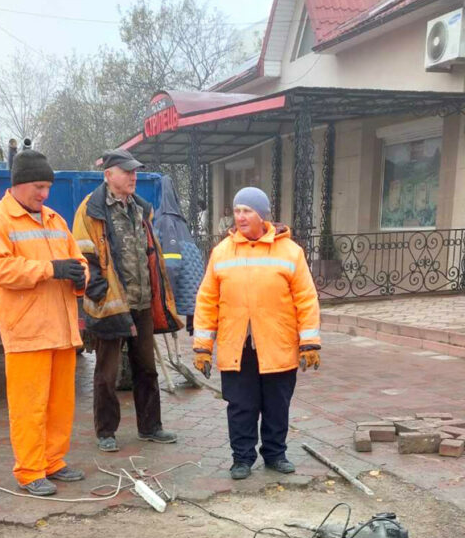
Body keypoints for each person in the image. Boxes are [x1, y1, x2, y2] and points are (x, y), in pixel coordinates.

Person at [0, 148, 88, 496]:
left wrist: (81, 275)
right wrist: (51, 270)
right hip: (27, 332)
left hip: (62, 328)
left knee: (59, 403)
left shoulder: (54, 219)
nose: (44, 194)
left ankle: (53, 461)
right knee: (29, 406)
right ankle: (29, 470)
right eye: (39, 186)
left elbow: (77, 259)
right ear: (19, 184)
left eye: (48, 187)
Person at [192, 186, 321, 480]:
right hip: (237, 346)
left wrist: (310, 341)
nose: (240, 216)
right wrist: (202, 346)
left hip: (277, 343)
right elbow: (207, 300)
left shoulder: (291, 252)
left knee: (276, 404)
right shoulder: (221, 252)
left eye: (247, 211)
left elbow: (306, 298)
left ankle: (275, 454)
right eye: (237, 210)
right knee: (240, 407)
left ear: (262, 215)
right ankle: (242, 458)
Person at [72, 148, 182, 452]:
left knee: (146, 368)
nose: (134, 177)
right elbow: (83, 254)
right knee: (106, 374)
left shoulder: (139, 209)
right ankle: (106, 432)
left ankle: (151, 427)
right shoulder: (90, 210)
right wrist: (98, 291)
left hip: (142, 304)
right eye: (127, 171)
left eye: (135, 171)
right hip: (109, 305)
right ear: (109, 175)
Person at [152, 175, 205, 327]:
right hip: (192, 293)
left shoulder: (166, 222)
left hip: (181, 293)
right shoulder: (179, 221)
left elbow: (171, 264)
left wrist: (167, 300)